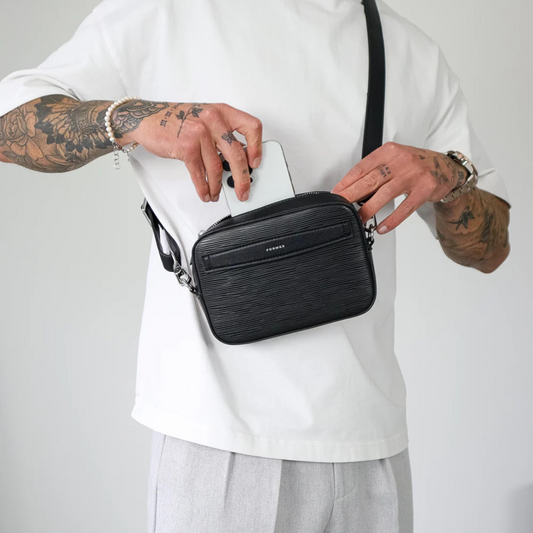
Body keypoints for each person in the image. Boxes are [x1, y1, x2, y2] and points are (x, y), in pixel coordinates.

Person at [0, 0, 511, 531]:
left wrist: (451, 176)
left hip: (372, 443)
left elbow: (490, 250)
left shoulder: (408, 50)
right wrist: (136, 119)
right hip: (217, 441)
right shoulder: (162, 12)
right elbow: (8, 129)